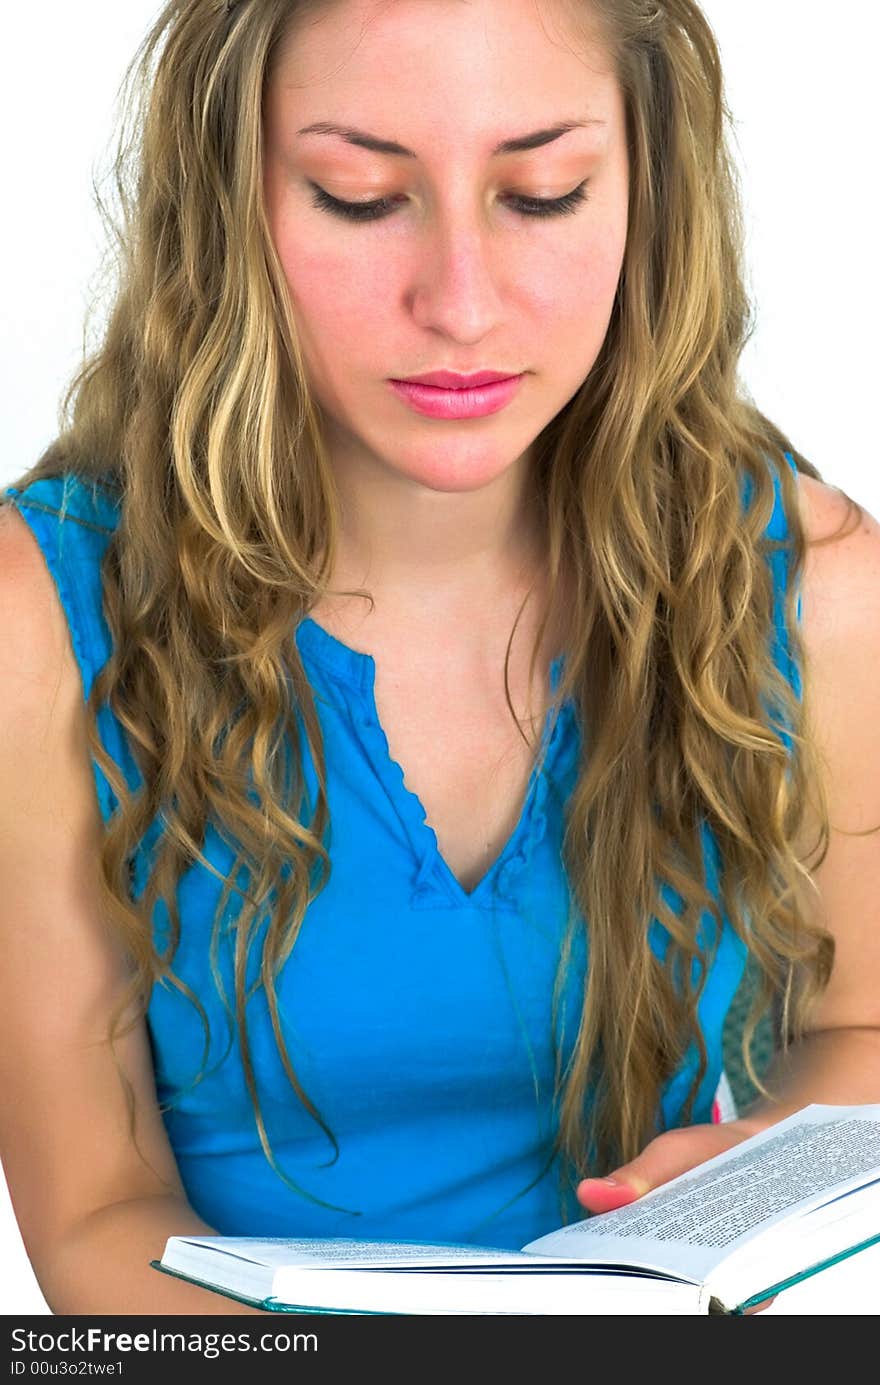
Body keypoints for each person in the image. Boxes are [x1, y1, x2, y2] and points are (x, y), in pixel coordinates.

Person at [1, 0, 878, 1318]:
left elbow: (856, 1036)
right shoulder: (44, 617)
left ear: (650, 185)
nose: (460, 304)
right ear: (231, 194)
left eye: (543, 191)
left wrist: (771, 1164)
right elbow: (96, 1224)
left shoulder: (812, 583)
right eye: (357, 196)